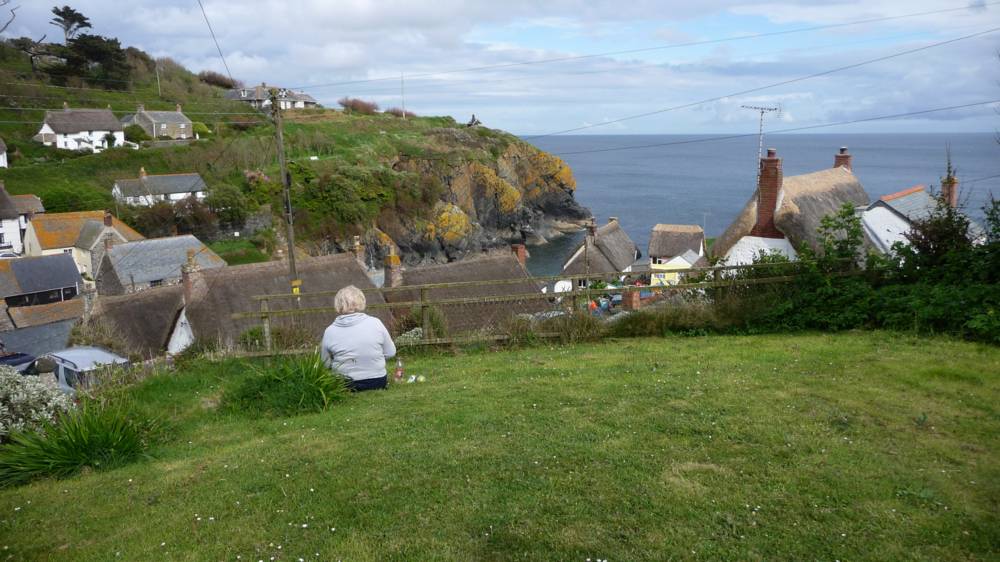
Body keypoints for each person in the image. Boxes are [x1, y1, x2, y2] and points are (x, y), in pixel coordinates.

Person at [320, 285, 396, 391]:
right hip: (377, 381)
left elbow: (325, 363)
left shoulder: (329, 331)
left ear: (338, 305)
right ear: (361, 301)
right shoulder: (375, 323)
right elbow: (391, 352)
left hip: (344, 384)